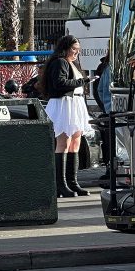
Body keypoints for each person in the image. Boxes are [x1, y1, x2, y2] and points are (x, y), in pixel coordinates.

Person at [41, 35, 92, 198]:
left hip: (75, 104)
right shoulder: (60, 62)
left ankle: (73, 182)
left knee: (75, 142)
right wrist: (83, 82)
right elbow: (59, 83)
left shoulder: (72, 63)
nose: (76, 52)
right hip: (64, 104)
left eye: (78, 49)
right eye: (74, 49)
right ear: (65, 48)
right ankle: (61, 184)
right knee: (63, 142)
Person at [93, 54, 113, 182]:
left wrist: (106, 106)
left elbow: (99, 90)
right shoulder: (108, 67)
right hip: (115, 110)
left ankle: (110, 169)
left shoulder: (105, 67)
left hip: (109, 110)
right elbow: (99, 90)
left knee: (109, 143)